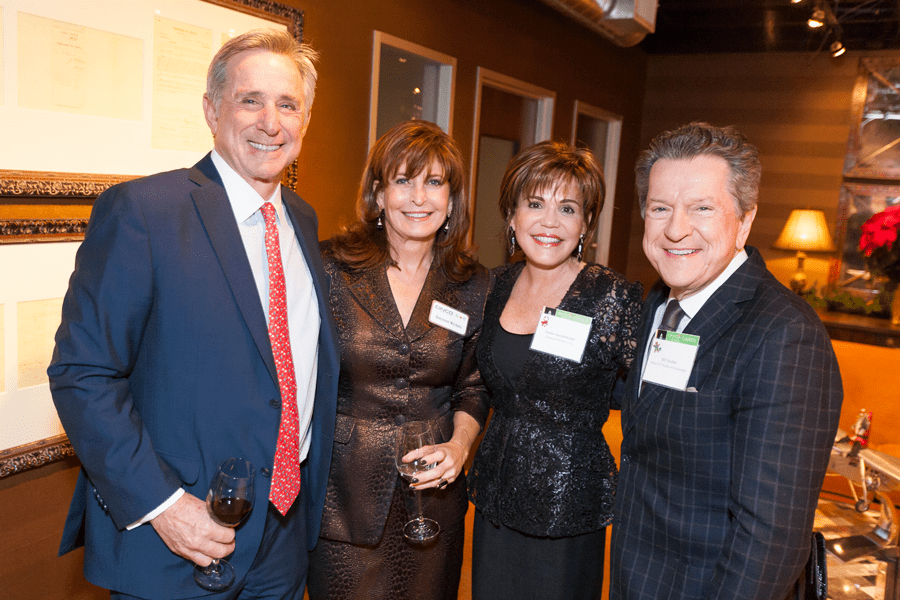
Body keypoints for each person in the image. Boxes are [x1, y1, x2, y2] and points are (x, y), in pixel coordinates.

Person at [47, 29, 338, 600]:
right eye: (250, 99)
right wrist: (165, 507)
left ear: (305, 120)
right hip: (178, 541)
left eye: (288, 105)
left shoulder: (302, 221)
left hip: (282, 538)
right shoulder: (144, 212)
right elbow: (83, 374)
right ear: (211, 108)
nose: (270, 122)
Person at [609, 122, 843, 600]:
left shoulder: (784, 335)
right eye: (660, 208)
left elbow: (771, 539)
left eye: (702, 208)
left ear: (745, 220)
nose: (676, 229)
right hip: (639, 576)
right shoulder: (660, 301)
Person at [307, 120, 490, 600]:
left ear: (451, 201)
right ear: (378, 194)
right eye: (402, 181)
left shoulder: (472, 284)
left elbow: (474, 384)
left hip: (435, 500)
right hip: (341, 496)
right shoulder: (329, 267)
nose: (418, 197)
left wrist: (460, 446)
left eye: (433, 182)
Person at [466, 140, 643, 599]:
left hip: (568, 510)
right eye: (535, 204)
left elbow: (647, 396)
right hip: (495, 503)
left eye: (567, 208)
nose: (549, 221)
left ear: (585, 223)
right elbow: (480, 385)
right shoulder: (495, 285)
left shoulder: (610, 296)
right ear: (511, 215)